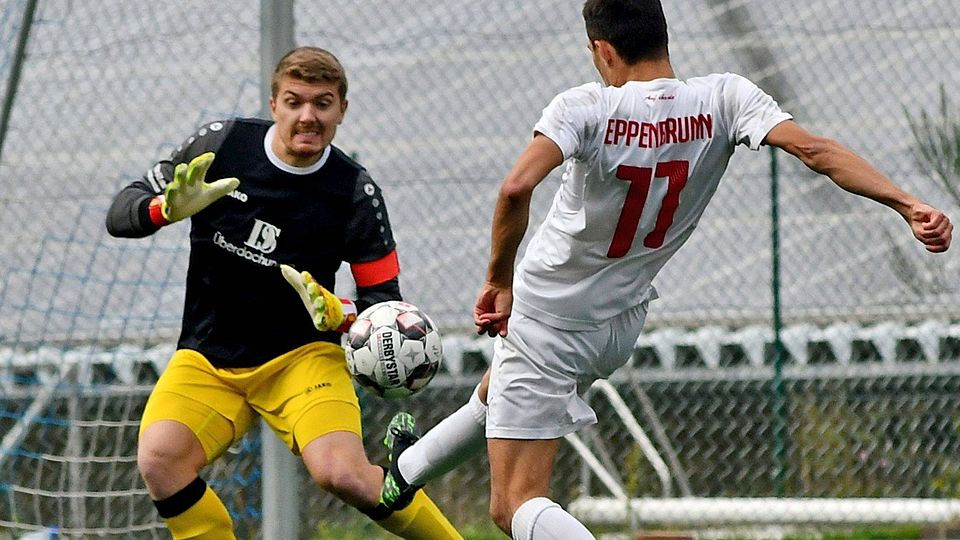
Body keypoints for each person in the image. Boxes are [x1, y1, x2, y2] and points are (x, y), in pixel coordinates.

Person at [378, 1, 955, 538]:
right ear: (663, 35)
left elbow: (515, 187)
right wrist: (907, 204)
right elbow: (817, 151)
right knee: (496, 389)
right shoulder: (726, 97)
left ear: (602, 50)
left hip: (548, 319)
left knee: (512, 505)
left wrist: (498, 279)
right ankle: (407, 469)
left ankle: (412, 472)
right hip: (620, 324)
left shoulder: (584, 107)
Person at [105, 46, 462, 540]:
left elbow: (385, 303)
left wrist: (339, 313)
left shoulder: (355, 193)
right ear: (274, 103)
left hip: (302, 359)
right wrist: (165, 209)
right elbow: (120, 212)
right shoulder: (222, 144)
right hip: (210, 359)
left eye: (322, 103)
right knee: (161, 460)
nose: (307, 116)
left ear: (342, 111)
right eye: (294, 101)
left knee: (343, 476)